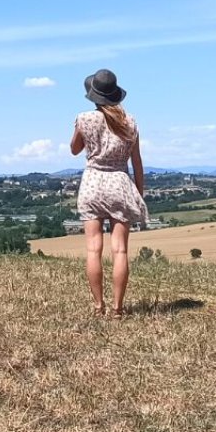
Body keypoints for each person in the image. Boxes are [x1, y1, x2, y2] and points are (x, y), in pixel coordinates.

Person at [70, 68, 147, 317]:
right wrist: (139, 193)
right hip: (120, 183)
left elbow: (74, 149)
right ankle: (117, 308)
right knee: (120, 250)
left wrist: (81, 133)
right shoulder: (130, 122)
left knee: (93, 249)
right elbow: (137, 163)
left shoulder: (84, 119)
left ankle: (98, 306)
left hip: (92, 183)